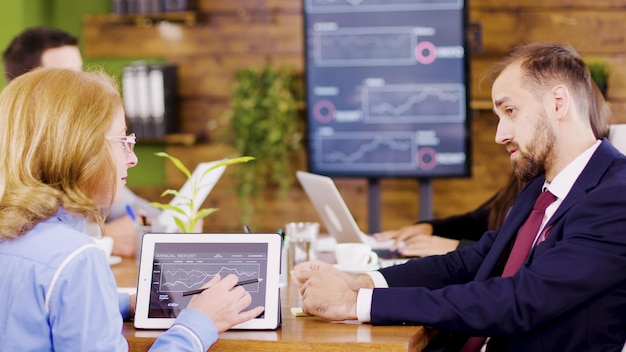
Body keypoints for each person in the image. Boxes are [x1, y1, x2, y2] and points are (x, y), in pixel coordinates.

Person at [294, 42, 626, 351]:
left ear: (558, 102)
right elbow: (475, 260)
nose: (500, 135)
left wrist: (356, 304)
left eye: (510, 111)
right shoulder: (542, 188)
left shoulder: (615, 197)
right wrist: (361, 282)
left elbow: (520, 300)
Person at [0, 67, 264, 351]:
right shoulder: (76, 259)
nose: (132, 158)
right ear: (79, 148)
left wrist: (126, 302)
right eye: (123, 141)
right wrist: (199, 323)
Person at [374, 81, 611, 258]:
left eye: (511, 112)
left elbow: (534, 260)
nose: (501, 136)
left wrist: (457, 248)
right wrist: (431, 228)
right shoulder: (533, 179)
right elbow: (487, 218)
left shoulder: (599, 195)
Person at [2, 26, 160, 257]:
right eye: (66, 75)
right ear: (29, 86)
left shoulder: (89, 158)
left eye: (79, 72)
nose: (82, 83)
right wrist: (101, 237)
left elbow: (144, 213)